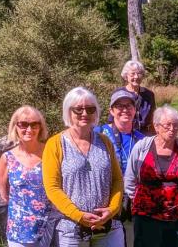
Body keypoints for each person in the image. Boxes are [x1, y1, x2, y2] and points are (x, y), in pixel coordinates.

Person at [43, 87, 124, 246]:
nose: (85, 113)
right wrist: (78, 215)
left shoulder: (105, 141)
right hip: (71, 230)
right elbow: (52, 187)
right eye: (78, 109)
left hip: (108, 228)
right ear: (68, 112)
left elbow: (117, 180)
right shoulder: (55, 144)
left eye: (90, 109)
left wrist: (112, 209)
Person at [124, 105, 178, 247]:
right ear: (156, 126)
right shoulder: (142, 146)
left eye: (176, 125)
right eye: (168, 125)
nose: (172, 129)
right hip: (146, 216)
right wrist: (141, 199)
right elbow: (130, 179)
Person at [0, 105, 55, 247]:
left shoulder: (51, 153)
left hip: (48, 227)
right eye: (23, 124)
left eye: (34, 124)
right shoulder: (7, 158)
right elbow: (4, 195)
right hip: (19, 230)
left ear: (40, 127)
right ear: (15, 126)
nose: (29, 129)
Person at [94, 90, 147, 246]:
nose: (125, 109)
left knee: (131, 241)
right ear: (111, 110)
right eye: (119, 106)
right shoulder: (99, 133)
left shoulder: (142, 139)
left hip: (133, 201)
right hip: (107, 200)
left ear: (135, 109)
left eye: (129, 105)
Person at [114, 60, 156, 135]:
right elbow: (112, 118)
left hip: (146, 135)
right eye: (132, 74)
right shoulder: (118, 94)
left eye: (139, 73)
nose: (136, 77)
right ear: (126, 76)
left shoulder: (149, 94)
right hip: (125, 134)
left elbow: (154, 118)